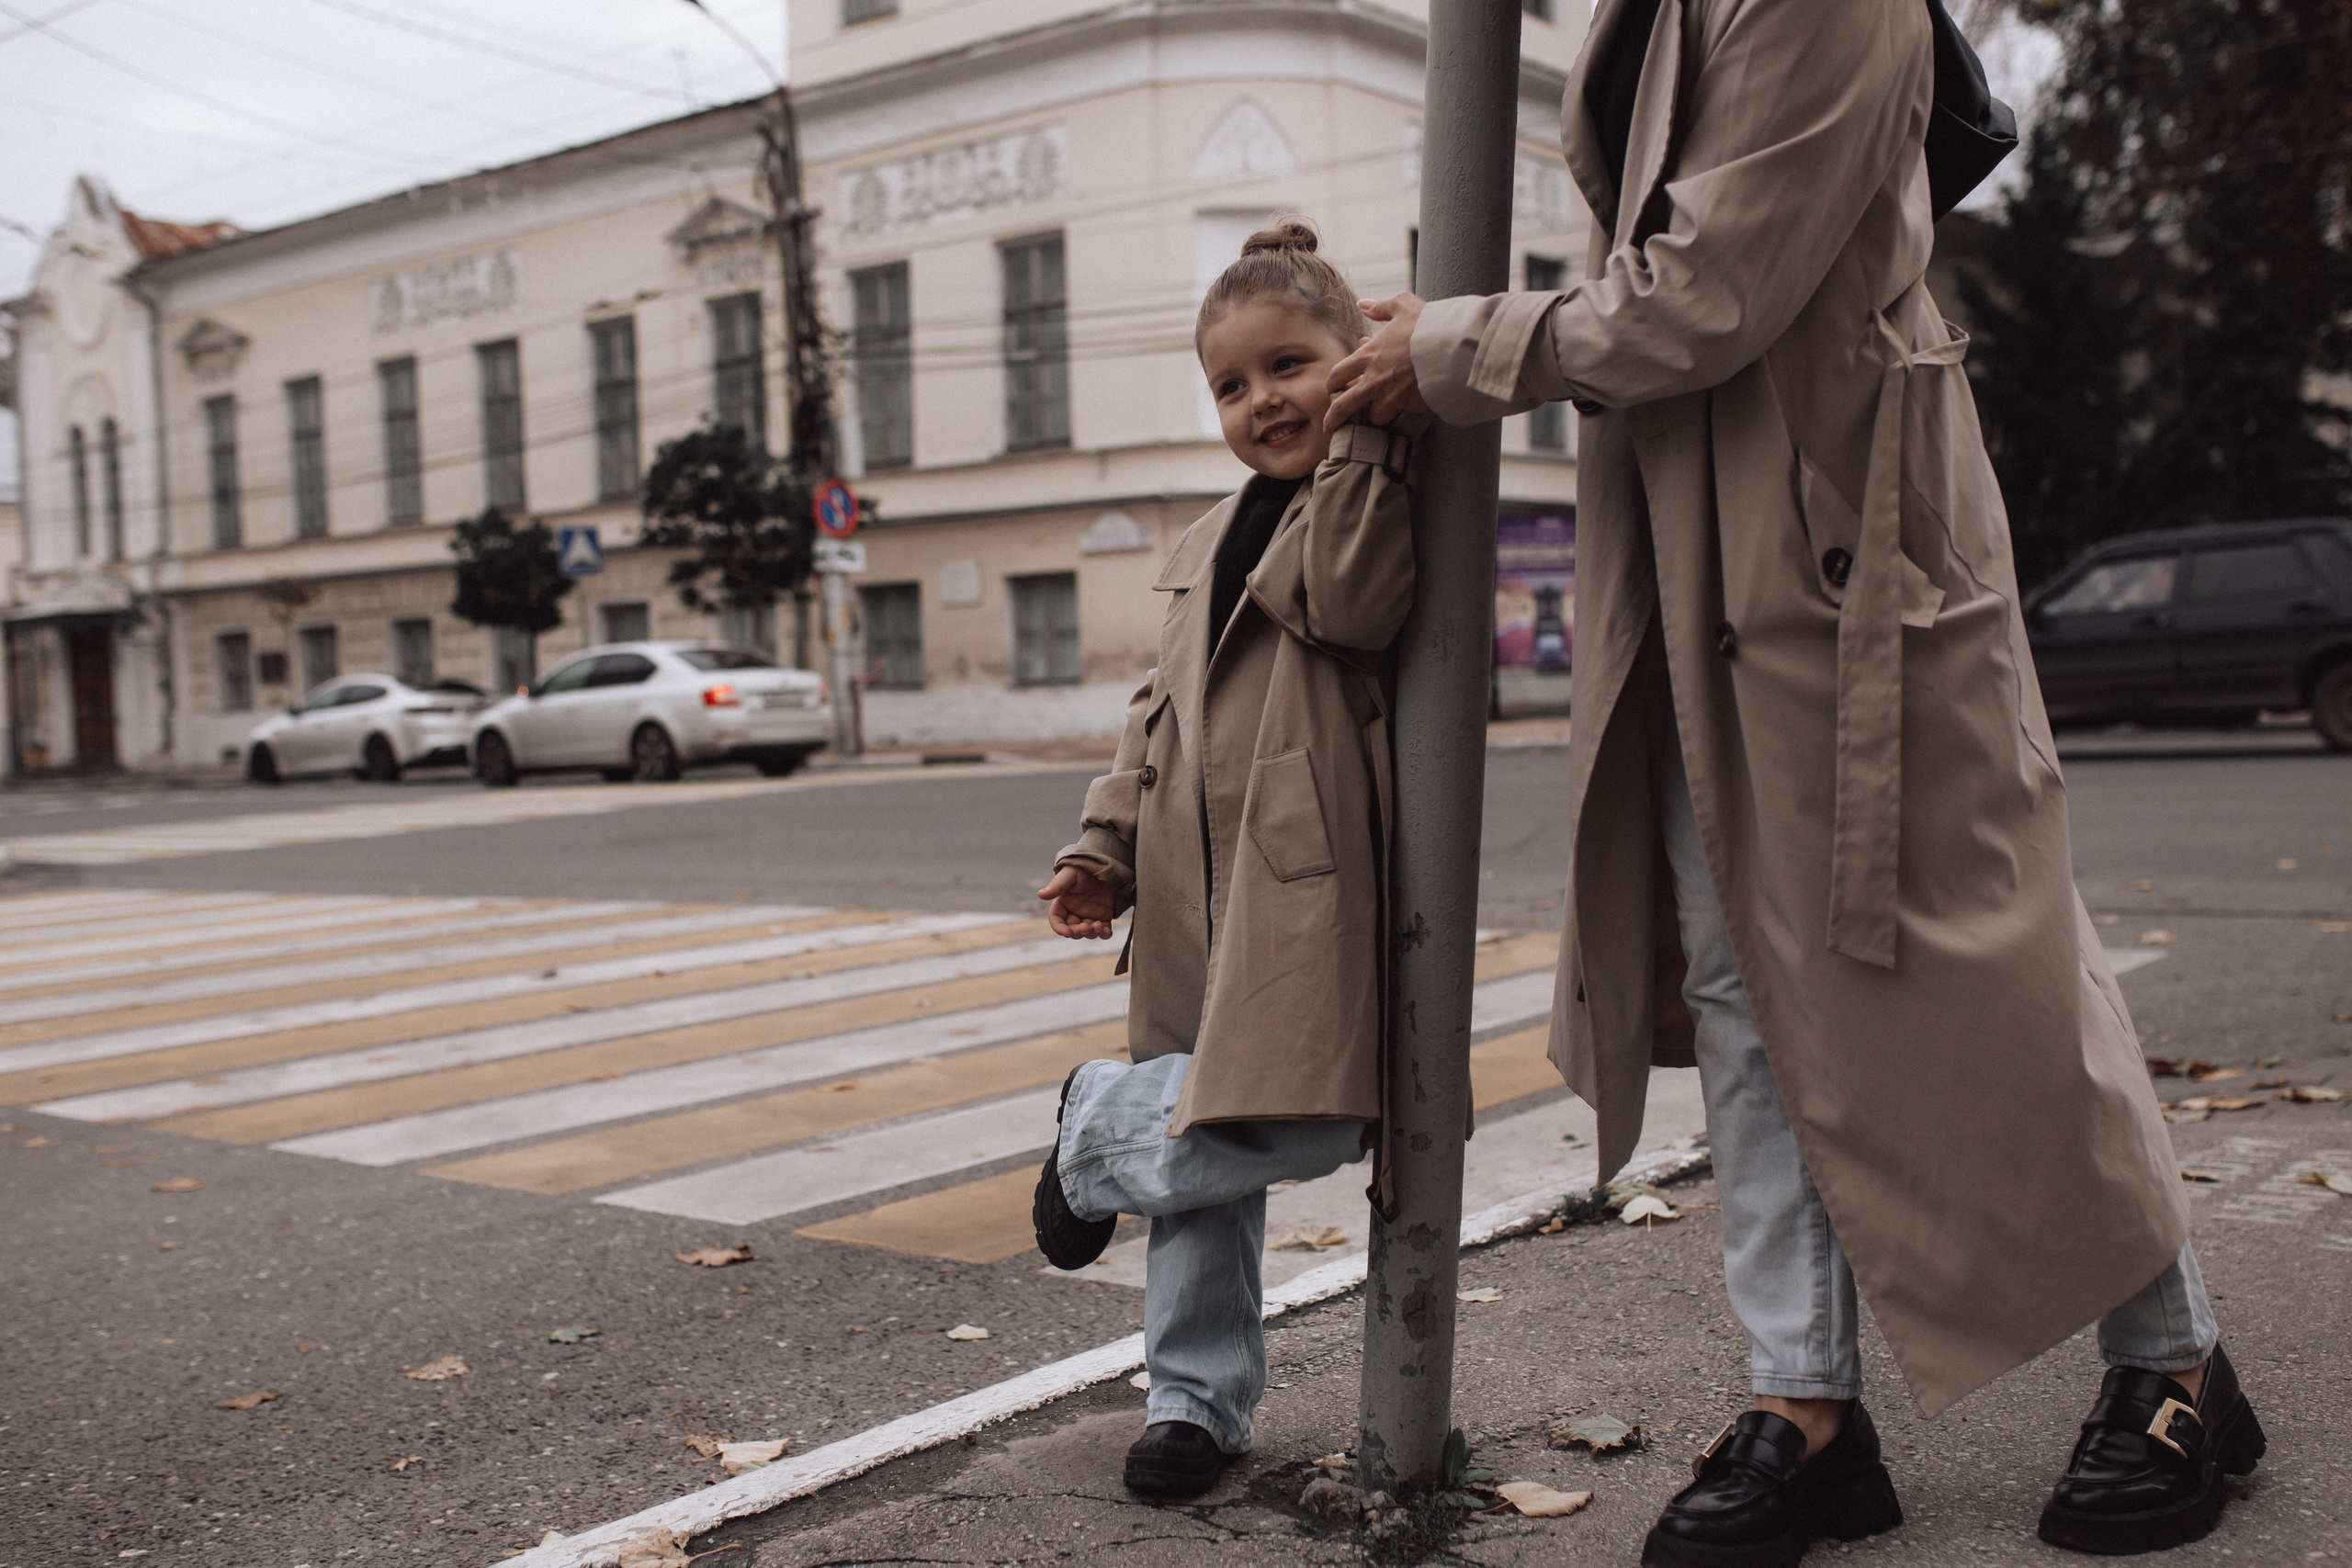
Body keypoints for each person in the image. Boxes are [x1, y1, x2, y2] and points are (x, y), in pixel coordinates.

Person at [1325, 0, 2263, 1562]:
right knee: (1745, 981)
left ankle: (2181, 1364)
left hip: (1851, 548)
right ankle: (1806, 1407)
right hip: (1704, 543)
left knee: (1987, 967)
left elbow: (1703, 292)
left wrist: (1457, 343)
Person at [1031, 219, 1427, 1502]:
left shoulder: (1368, 488)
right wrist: (1103, 851)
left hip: (1300, 884)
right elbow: (1156, 717)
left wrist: (1370, 423)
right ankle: (1192, 1402)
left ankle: (1094, 1134)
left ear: (1354, 360)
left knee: (1291, 1112)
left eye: (1293, 366)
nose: (1264, 401)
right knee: (1206, 1180)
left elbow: (1360, 604)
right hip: (1189, 894)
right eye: (1232, 385)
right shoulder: (1204, 540)